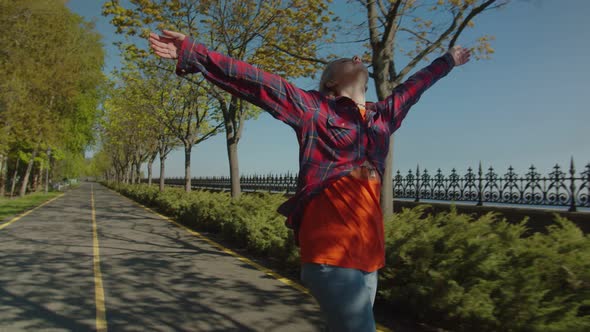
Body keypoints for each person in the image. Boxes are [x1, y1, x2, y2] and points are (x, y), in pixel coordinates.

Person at [149, 29, 470, 332]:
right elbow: (256, 81)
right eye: (348, 60)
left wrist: (448, 61)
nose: (359, 58)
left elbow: (416, 85)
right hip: (331, 257)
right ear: (331, 81)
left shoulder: (382, 117)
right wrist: (194, 52)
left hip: (370, 261)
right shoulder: (315, 110)